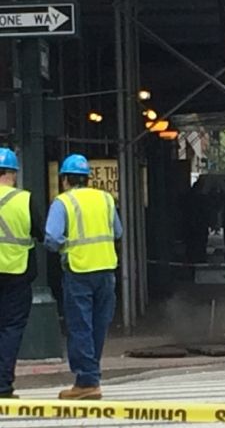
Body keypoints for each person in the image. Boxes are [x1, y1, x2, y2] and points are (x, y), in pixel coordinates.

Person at [45, 154, 123, 401]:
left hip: (79, 271)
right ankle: (90, 375)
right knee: (98, 326)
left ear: (65, 179)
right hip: (106, 270)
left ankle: (87, 381)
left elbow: (51, 238)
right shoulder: (105, 199)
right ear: (87, 178)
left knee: (80, 326)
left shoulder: (63, 202)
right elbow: (118, 231)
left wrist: (66, 247)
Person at [0, 149, 43, 399]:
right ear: (13, 173)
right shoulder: (24, 199)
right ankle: (3, 385)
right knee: (11, 328)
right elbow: (39, 231)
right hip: (17, 272)